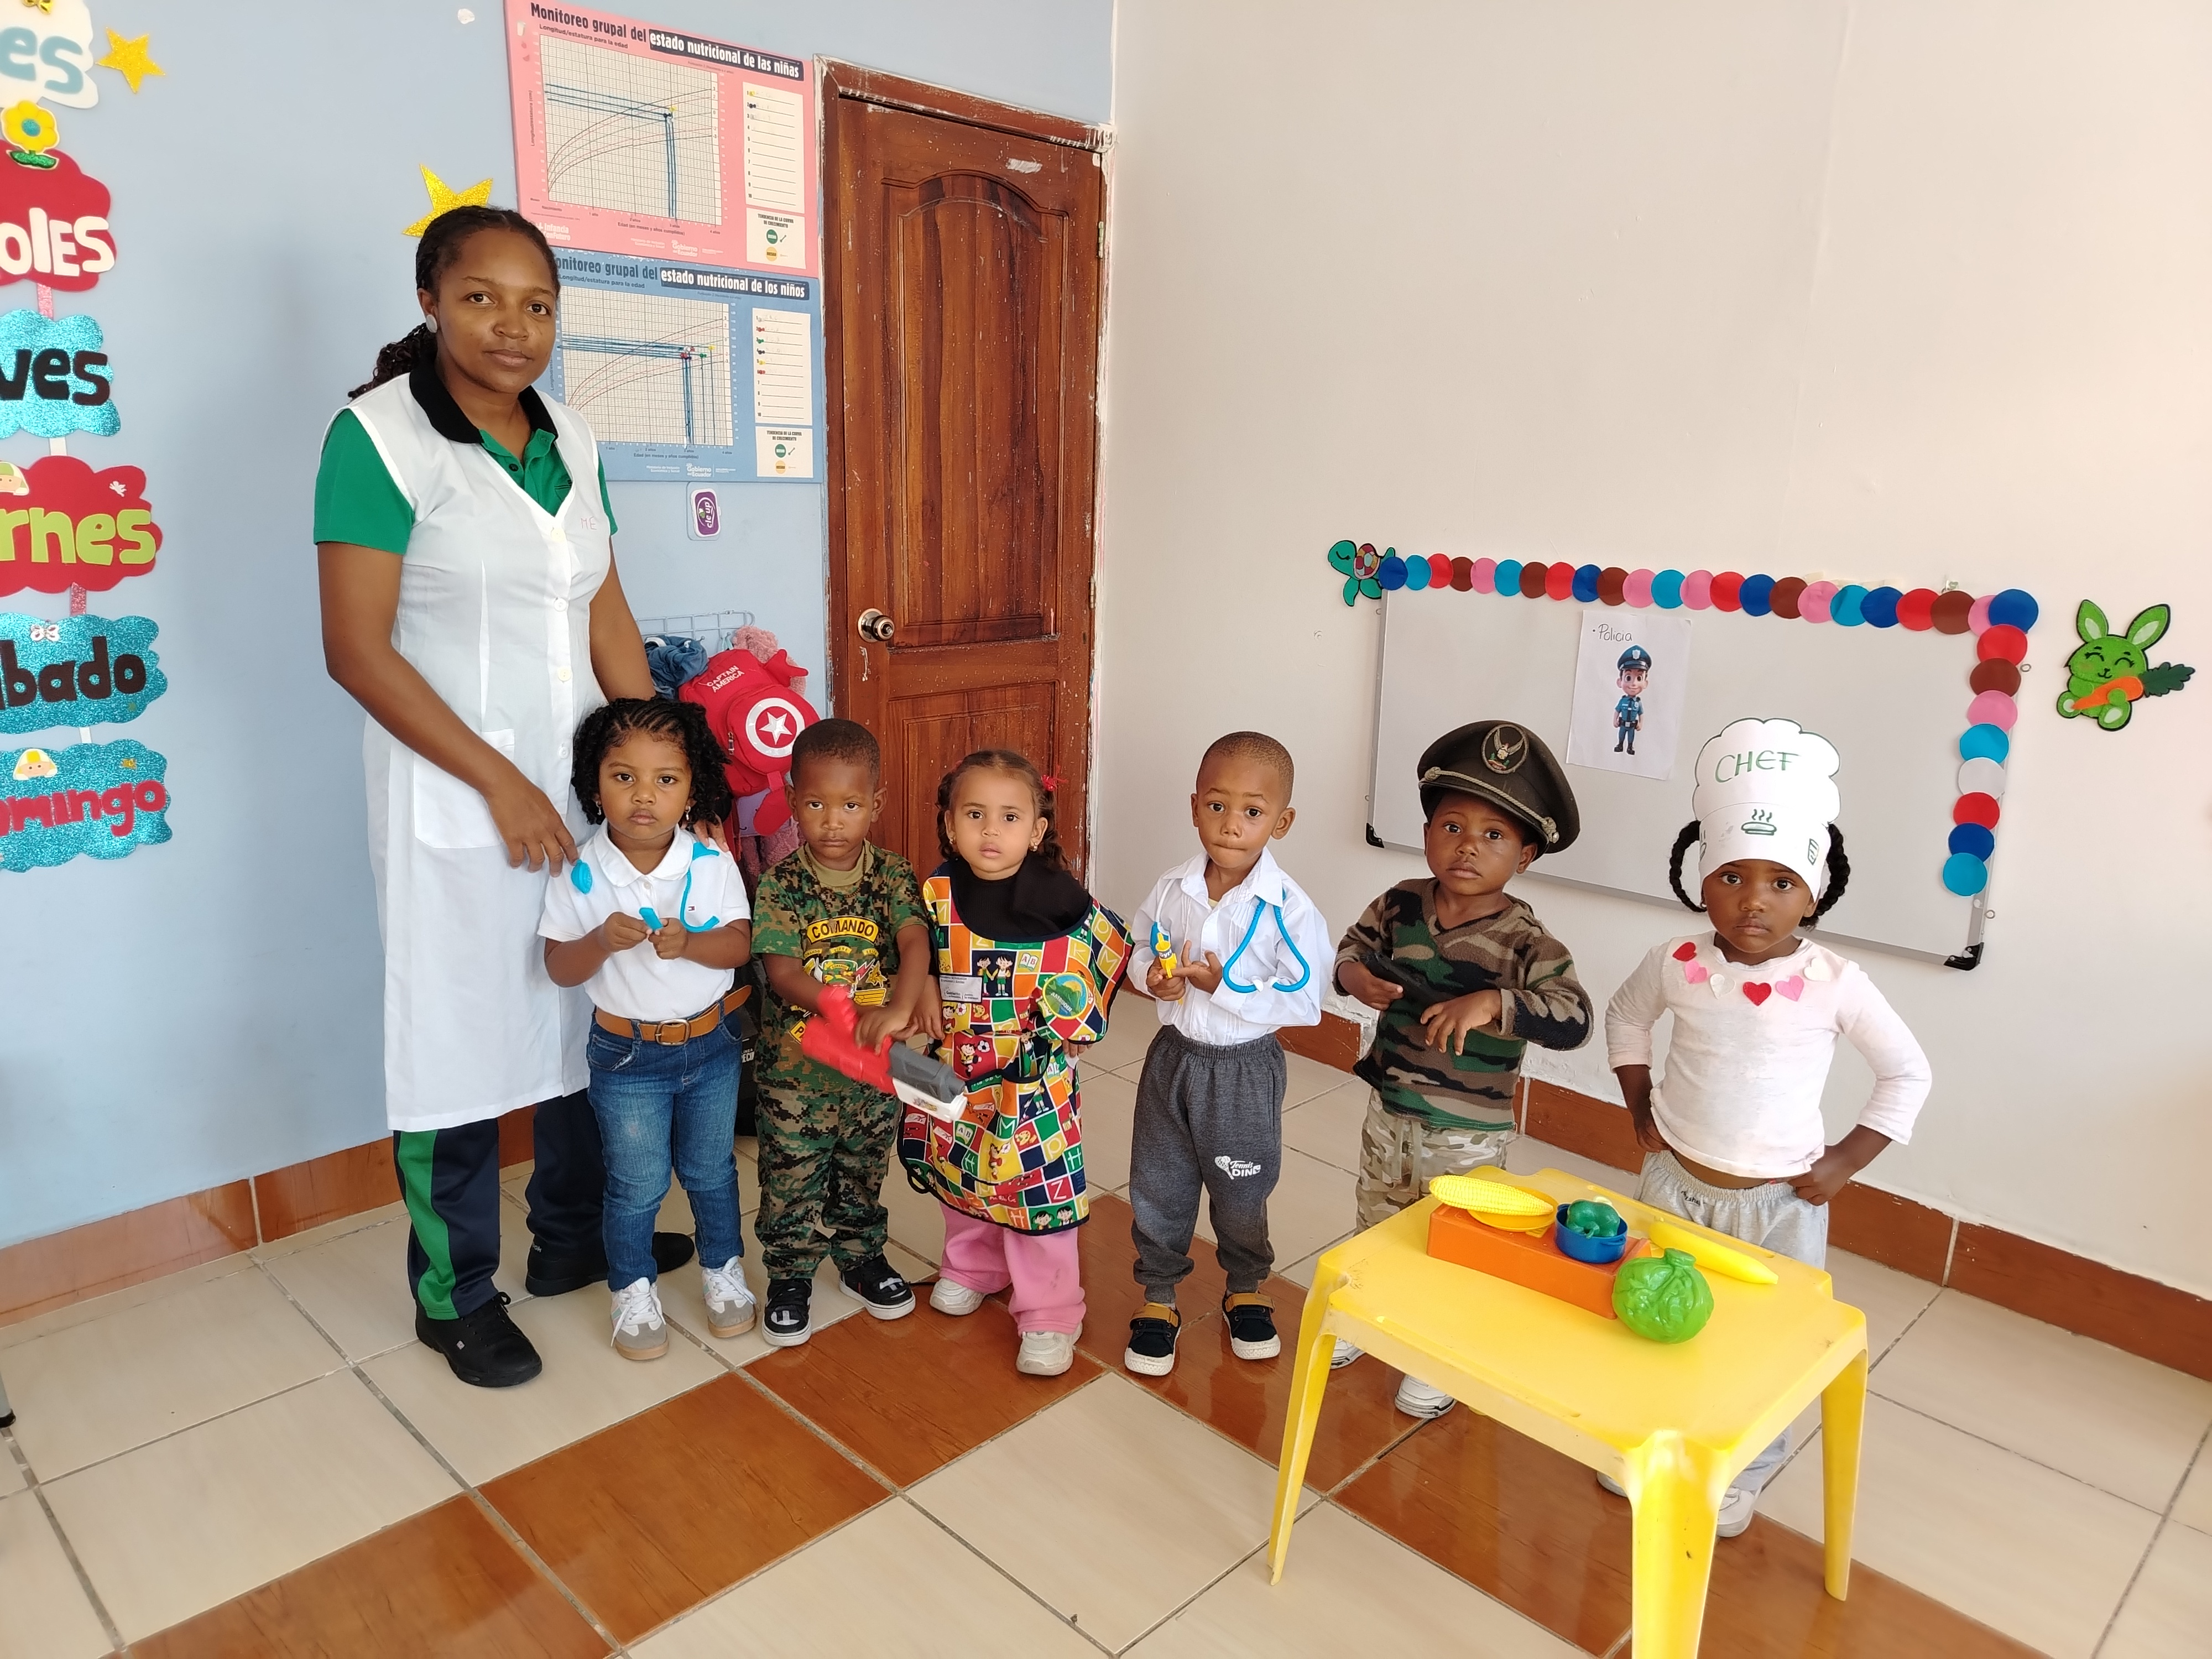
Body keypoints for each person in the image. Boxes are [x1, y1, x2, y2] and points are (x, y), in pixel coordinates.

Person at [316, 205, 690, 1389]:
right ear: (430, 300)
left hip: (583, 793)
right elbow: (355, 650)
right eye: (481, 298)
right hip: (456, 804)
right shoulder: (377, 438)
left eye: (538, 305)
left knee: (592, 1013)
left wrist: (662, 765)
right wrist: (503, 785)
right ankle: (456, 1295)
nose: (513, 327)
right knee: (457, 1039)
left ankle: (571, 1240)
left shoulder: (571, 436)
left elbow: (604, 607)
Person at [1603, 717, 1930, 1535]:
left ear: (1814, 892)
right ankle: (1649, 1436)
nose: (1754, 900)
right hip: (1672, 1186)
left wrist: (1846, 1161)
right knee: (1650, 1313)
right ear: (1700, 881)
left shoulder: (1835, 981)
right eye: (1732, 877)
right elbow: (1625, 1016)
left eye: (1781, 882)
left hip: (1778, 1208)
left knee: (1760, 1341)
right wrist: (1639, 1102)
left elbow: (1907, 1072)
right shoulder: (1675, 962)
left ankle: (1743, 1468)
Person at [1332, 721, 1593, 1418]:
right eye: (1451, 826)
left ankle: (1437, 1353)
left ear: (1526, 855)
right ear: (1427, 833)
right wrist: (1354, 978)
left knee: (1456, 1241)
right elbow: (1350, 948)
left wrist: (1494, 1003)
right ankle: (1366, 1314)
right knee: (1377, 1219)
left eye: (1493, 835)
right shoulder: (1399, 904)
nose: (1467, 845)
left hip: (1468, 1133)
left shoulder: (1527, 942)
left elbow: (1573, 1019)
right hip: (1390, 1112)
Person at [901, 750, 1131, 1378]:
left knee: (1035, 1188)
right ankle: (973, 1266)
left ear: (1036, 830)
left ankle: (1051, 1310)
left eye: (1009, 817)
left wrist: (1078, 1021)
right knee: (962, 1173)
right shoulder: (937, 891)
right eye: (974, 814)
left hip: (1035, 1078)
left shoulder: (1061, 898)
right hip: (960, 1067)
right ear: (949, 824)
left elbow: (1101, 953)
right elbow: (918, 952)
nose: (990, 830)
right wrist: (922, 987)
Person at [540, 699, 755, 1359]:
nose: (644, 796)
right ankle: (631, 1289)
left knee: (710, 1170)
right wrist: (599, 941)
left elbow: (739, 945)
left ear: (691, 788)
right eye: (623, 776)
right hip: (626, 1058)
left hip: (712, 1048)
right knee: (636, 1184)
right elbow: (558, 968)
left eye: (666, 779)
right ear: (594, 783)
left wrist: (690, 943)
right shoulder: (579, 872)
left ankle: (723, 1270)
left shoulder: (709, 861)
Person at [1121, 732, 1329, 1377]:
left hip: (1243, 1070)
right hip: (1172, 1059)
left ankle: (1246, 1287)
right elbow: (1138, 947)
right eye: (1216, 806)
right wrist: (1151, 978)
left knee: (1241, 1187)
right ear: (1194, 807)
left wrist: (1225, 986)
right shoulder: (1172, 887)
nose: (1231, 825)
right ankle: (1159, 1295)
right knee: (1159, 1180)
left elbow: (1305, 998)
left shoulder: (1288, 907)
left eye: (1252, 811)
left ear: (1281, 822)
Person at [749, 719, 935, 1348]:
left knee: (863, 1167)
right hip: (794, 1079)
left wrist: (902, 1006)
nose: (833, 822)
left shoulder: (891, 875)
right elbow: (782, 973)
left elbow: (914, 940)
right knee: (791, 1176)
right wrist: (840, 1005)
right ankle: (790, 1275)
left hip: (870, 1072)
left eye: (850, 806)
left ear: (875, 804)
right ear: (791, 799)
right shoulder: (782, 884)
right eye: (816, 805)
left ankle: (860, 1258)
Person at [1614, 645, 1651, 755]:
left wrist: (1641, 723)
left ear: (1645, 683)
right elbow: (1617, 710)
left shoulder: (1638, 702)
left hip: (1632, 726)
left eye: (1639, 678)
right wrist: (1615, 720)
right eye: (1628, 678)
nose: (1634, 683)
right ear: (1620, 682)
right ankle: (1620, 745)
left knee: (1631, 737)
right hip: (1623, 725)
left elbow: (1641, 713)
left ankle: (1630, 747)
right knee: (1621, 735)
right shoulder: (1623, 701)